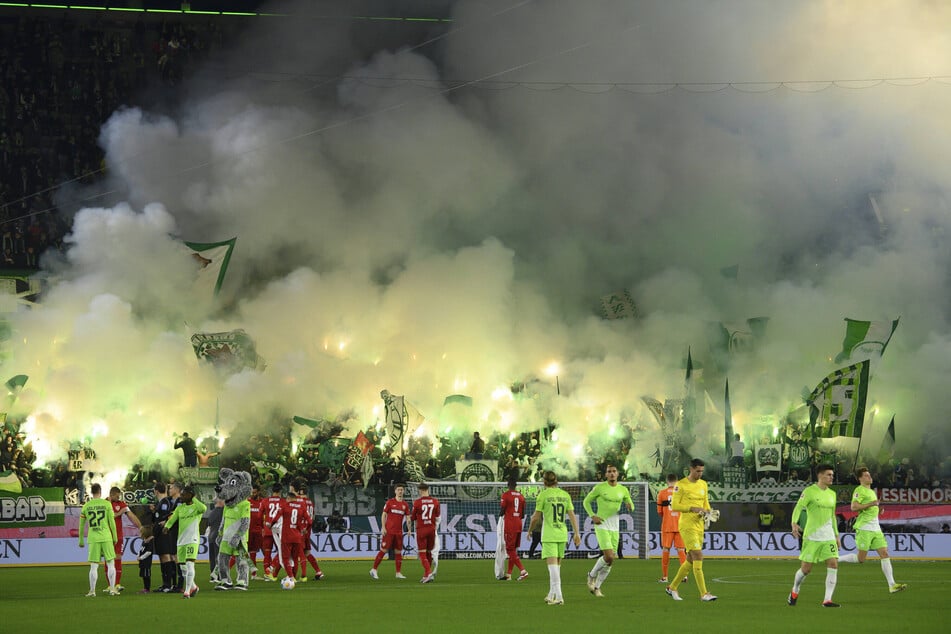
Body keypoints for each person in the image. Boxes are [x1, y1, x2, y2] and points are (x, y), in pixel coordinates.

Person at [837, 467, 908, 593]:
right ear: (860, 478)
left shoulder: (871, 491)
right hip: (864, 528)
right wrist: (871, 504)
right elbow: (854, 507)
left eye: (869, 474)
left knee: (885, 554)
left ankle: (892, 585)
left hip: (876, 528)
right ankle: (837, 559)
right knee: (861, 559)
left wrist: (878, 510)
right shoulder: (859, 490)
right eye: (866, 475)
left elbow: (871, 508)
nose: (869, 477)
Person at [788, 464, 842, 607]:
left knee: (833, 563)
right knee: (806, 570)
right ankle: (795, 589)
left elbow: (832, 516)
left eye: (832, 474)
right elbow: (799, 507)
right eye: (829, 474)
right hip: (812, 536)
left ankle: (827, 600)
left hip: (828, 536)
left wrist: (836, 535)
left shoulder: (832, 494)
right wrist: (794, 523)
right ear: (820, 476)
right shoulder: (809, 491)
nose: (832, 477)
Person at [666, 458, 718, 602]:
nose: (700, 474)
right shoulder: (680, 485)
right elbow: (675, 505)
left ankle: (672, 587)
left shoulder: (703, 484)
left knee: (690, 558)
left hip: (699, 525)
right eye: (697, 471)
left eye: (702, 471)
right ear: (691, 469)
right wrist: (692, 508)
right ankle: (704, 593)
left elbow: (705, 501)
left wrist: (708, 511)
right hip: (687, 526)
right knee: (698, 555)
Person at [528, 470, 581, 605]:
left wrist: (529, 530)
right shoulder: (565, 495)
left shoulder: (543, 495)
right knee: (556, 567)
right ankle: (551, 594)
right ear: (556, 481)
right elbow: (572, 515)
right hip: (562, 533)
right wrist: (576, 533)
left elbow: (535, 517)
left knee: (552, 568)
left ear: (544, 482)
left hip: (549, 535)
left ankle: (559, 597)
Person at [583, 464, 634, 597]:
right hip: (602, 525)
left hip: (615, 527)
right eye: (609, 471)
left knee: (611, 560)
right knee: (609, 555)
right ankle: (591, 575)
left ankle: (597, 587)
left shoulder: (623, 489)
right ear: (606, 475)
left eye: (614, 471)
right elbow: (586, 502)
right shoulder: (599, 488)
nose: (612, 473)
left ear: (618, 474)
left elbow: (631, 504)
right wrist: (592, 515)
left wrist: (630, 506)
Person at [164, 484, 207, 598]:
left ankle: (187, 591)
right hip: (181, 541)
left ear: (190, 495)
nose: (181, 496)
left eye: (184, 494)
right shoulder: (180, 508)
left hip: (192, 540)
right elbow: (173, 519)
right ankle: (194, 587)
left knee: (189, 565)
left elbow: (204, 508)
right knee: (183, 567)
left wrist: (193, 498)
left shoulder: (197, 508)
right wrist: (167, 526)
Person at [79, 483, 119, 596]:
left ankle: (92, 591)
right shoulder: (107, 504)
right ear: (100, 492)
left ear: (91, 492)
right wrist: (115, 536)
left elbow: (81, 525)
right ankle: (112, 589)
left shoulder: (86, 506)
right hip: (106, 537)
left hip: (93, 538)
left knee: (94, 565)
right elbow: (112, 522)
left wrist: (81, 539)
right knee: (111, 563)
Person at [370, 483, 410, 579]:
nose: (400, 491)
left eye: (402, 490)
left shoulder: (405, 504)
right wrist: (383, 527)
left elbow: (408, 517)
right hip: (389, 531)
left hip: (398, 532)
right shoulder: (390, 502)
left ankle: (398, 573)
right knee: (384, 550)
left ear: (403, 491)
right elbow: (384, 515)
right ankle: (374, 569)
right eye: (398, 490)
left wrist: (409, 529)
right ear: (395, 491)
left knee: (398, 552)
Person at [109, 485, 143, 592]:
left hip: (118, 536)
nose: (119, 498)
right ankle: (110, 585)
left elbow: (131, 515)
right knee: (108, 559)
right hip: (107, 536)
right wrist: (120, 513)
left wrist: (140, 527)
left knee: (118, 558)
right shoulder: (105, 503)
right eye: (117, 497)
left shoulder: (121, 504)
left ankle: (117, 584)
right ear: (112, 495)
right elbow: (110, 516)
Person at [656, 473, 687, 583]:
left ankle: (665, 577)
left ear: (667, 481)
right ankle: (684, 576)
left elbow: (659, 512)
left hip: (667, 525)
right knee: (681, 550)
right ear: (677, 481)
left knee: (666, 549)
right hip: (680, 525)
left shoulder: (662, 493)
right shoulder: (682, 493)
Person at [498, 477, 528, 581]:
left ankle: (523, 571)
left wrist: (502, 514)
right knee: (513, 550)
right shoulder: (521, 496)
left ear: (508, 485)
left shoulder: (505, 495)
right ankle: (509, 574)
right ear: (516, 486)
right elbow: (523, 514)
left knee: (509, 550)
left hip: (510, 525)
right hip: (519, 524)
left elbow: (502, 511)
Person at [279, 484, 310, 583]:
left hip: (287, 536)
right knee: (297, 557)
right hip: (298, 536)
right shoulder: (302, 506)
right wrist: (305, 529)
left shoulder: (285, 506)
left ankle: (291, 577)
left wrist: (270, 524)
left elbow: (275, 517)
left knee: (285, 558)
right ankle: (297, 577)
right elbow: (309, 521)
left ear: (288, 498)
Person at [149, 482, 178, 593]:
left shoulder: (165, 502)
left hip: (164, 533)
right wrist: (154, 511)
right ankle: (167, 584)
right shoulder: (160, 503)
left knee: (166, 556)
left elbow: (170, 515)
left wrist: (165, 522)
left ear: (156, 491)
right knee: (164, 557)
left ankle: (168, 584)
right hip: (159, 533)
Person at [294, 481, 324, 581]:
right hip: (308, 530)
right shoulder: (310, 502)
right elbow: (312, 517)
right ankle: (318, 571)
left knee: (300, 553)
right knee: (307, 552)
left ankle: (303, 575)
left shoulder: (300, 502)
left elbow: (300, 515)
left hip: (301, 529)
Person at [411, 482, 440, 583]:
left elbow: (413, 517)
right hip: (431, 529)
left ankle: (428, 573)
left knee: (422, 553)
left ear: (421, 490)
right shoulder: (435, 502)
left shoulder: (417, 502)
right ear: (428, 489)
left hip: (421, 530)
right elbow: (438, 518)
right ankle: (425, 575)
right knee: (428, 552)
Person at [261, 483, 284, 581]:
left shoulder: (265, 501)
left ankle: (267, 574)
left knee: (267, 553)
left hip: (267, 529)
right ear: (280, 491)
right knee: (282, 551)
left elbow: (259, 515)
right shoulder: (283, 502)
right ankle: (272, 568)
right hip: (278, 529)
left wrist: (262, 527)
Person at [206, 497, 225, 583]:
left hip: (211, 536)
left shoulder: (211, 513)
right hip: (219, 537)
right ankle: (219, 576)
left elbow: (209, 523)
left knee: (212, 557)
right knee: (219, 557)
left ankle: (213, 576)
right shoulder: (222, 511)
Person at [137, 524, 155, 594]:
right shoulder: (144, 541)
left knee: (146, 575)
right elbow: (141, 550)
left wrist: (141, 558)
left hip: (146, 562)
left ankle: (147, 588)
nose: (140, 533)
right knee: (144, 575)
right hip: (142, 562)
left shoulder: (150, 541)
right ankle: (145, 588)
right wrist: (138, 555)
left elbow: (149, 552)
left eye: (141, 532)